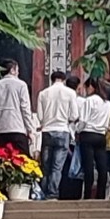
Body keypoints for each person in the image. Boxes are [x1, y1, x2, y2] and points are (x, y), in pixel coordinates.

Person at [36, 69, 79, 197]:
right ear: (64, 80)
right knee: (57, 167)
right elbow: (75, 115)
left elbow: (40, 116)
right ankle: (53, 193)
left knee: (46, 166)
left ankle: (43, 192)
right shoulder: (70, 93)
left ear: (52, 80)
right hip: (63, 131)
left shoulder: (43, 93)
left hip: (47, 131)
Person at [75, 76, 110, 201]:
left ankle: (87, 194)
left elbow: (83, 120)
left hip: (87, 134)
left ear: (92, 87)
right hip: (101, 136)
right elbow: (108, 122)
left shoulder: (89, 101)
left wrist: (77, 130)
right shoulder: (107, 103)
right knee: (102, 166)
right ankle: (100, 195)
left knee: (88, 166)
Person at [0, 57, 34, 155]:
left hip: (0, 132)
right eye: (17, 70)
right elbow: (25, 109)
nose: (18, 73)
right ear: (12, 70)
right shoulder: (21, 85)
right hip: (17, 130)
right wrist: (30, 130)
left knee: (2, 163)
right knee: (22, 163)